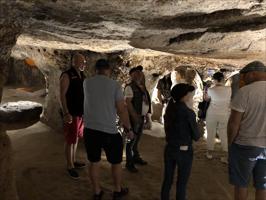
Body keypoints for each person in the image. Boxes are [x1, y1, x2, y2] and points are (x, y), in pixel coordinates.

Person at [83, 59, 134, 200]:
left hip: (90, 129)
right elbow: (121, 110)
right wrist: (128, 128)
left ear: (96, 70)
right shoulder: (114, 85)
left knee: (94, 162)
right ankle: (117, 190)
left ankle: (97, 192)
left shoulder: (86, 83)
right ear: (108, 70)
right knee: (116, 162)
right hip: (108, 130)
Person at [227, 61, 266, 200]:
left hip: (245, 145)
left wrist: (230, 143)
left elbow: (234, 123)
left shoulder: (245, 91)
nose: (243, 79)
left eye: (244, 76)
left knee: (241, 184)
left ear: (252, 74)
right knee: (262, 185)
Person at [161, 83, 201, 200]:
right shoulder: (189, 113)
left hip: (170, 148)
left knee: (168, 179)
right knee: (182, 182)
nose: (191, 95)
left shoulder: (169, 109)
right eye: (189, 93)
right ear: (184, 96)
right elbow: (196, 136)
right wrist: (198, 127)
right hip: (184, 151)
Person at [59, 53, 87, 179]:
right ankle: (69, 166)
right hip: (71, 113)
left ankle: (73, 160)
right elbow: (62, 95)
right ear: (73, 62)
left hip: (80, 113)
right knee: (70, 140)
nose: (83, 64)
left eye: (84, 62)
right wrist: (66, 112)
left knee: (76, 138)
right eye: (81, 61)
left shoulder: (82, 75)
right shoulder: (67, 75)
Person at [124, 65, 152, 173]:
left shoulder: (142, 87)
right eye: (136, 73)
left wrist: (147, 117)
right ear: (131, 75)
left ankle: (136, 157)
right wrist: (135, 117)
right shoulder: (130, 87)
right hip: (133, 117)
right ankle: (129, 163)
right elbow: (128, 103)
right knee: (131, 140)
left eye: (140, 73)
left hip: (141, 116)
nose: (139, 74)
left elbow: (146, 102)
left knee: (137, 139)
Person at [205, 72, 231, 162]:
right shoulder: (229, 89)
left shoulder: (211, 90)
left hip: (212, 114)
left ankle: (209, 153)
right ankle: (225, 156)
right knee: (224, 134)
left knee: (211, 133)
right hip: (224, 114)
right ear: (223, 79)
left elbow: (206, 99)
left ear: (215, 80)